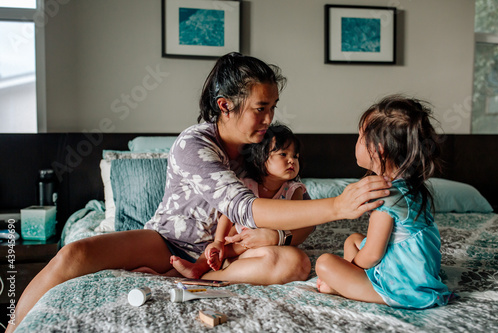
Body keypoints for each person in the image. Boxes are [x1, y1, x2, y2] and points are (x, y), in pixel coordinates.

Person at [7, 52, 391, 332]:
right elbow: (243, 207)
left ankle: (195, 282)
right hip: (168, 243)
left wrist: (279, 235)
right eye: (260, 108)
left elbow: (295, 201)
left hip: (230, 256)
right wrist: (339, 205)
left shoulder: (266, 147)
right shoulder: (195, 144)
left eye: (273, 108)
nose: (270, 119)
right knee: (75, 252)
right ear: (225, 105)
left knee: (293, 262)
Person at [315, 95, 453, 309]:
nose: (357, 141)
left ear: (378, 149)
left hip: (403, 286)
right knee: (352, 239)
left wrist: (348, 268)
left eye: (360, 136)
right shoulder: (412, 186)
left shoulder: (385, 196)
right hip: (411, 270)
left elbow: (372, 255)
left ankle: (356, 289)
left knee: (324, 263)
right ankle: (350, 282)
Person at [172, 123, 308, 278]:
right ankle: (196, 267)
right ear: (260, 158)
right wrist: (218, 241)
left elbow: (298, 220)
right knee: (218, 250)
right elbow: (228, 215)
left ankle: (205, 273)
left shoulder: (294, 189)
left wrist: (275, 235)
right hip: (237, 240)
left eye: (295, 156)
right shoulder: (247, 184)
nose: (292, 160)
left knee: (288, 256)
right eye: (283, 154)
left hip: (272, 241)